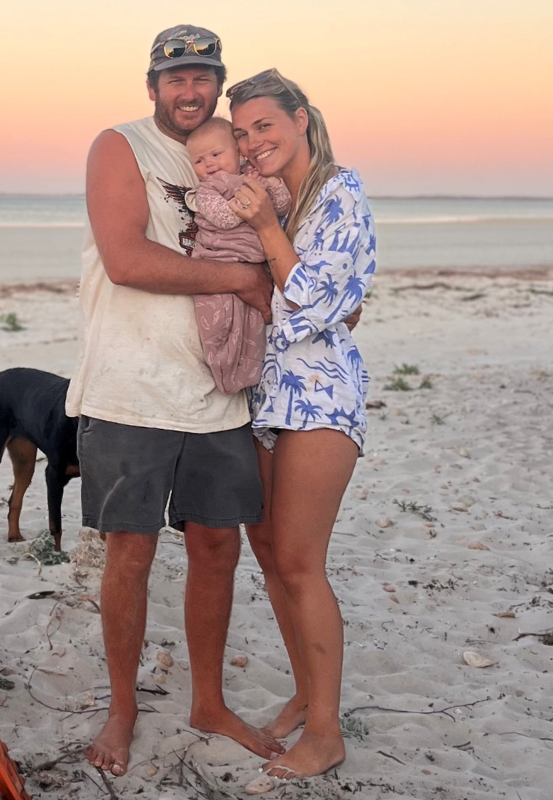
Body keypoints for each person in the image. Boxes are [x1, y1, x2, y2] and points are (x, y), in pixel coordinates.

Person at [65, 26, 283, 776]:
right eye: (175, 78)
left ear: (218, 83)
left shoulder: (231, 148)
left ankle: (210, 701)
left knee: (218, 547)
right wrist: (240, 281)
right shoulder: (118, 146)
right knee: (130, 552)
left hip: (218, 390)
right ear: (152, 85)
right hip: (131, 388)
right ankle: (122, 708)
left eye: (202, 77)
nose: (189, 91)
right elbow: (125, 259)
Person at [227, 69, 376, 779]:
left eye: (265, 126)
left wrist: (261, 227)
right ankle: (307, 694)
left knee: (299, 562)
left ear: (302, 120)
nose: (253, 142)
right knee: (270, 554)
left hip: (319, 397)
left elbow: (313, 304)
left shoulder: (341, 191)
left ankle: (327, 732)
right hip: (265, 398)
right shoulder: (283, 202)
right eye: (243, 132)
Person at [185, 117, 291, 393]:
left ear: (238, 151)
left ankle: (247, 379)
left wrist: (269, 184)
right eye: (198, 160)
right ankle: (223, 373)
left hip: (255, 263)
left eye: (216, 155)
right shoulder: (208, 188)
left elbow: (281, 205)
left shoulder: (254, 174)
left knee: (253, 325)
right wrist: (249, 193)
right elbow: (223, 219)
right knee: (218, 325)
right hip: (219, 263)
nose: (208, 164)